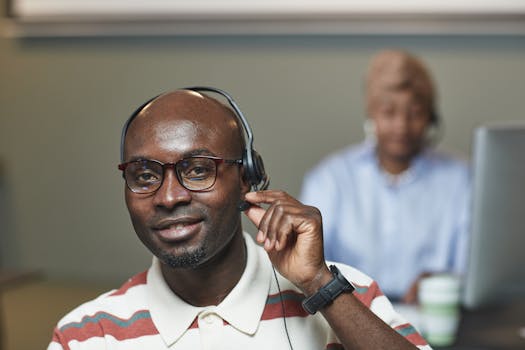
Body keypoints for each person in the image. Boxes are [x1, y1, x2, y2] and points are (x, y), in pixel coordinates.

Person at [48, 87, 430, 349]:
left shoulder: (347, 295)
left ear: (248, 177)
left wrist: (318, 284)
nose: (168, 197)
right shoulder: (86, 335)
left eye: (198, 170)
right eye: (145, 175)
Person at [300, 50, 470, 303]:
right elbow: (311, 268)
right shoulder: (330, 180)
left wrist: (444, 284)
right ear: (371, 113)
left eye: (414, 113)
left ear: (431, 117)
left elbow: (473, 270)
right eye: (389, 112)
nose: (401, 125)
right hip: (348, 320)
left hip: (436, 319)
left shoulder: (461, 179)